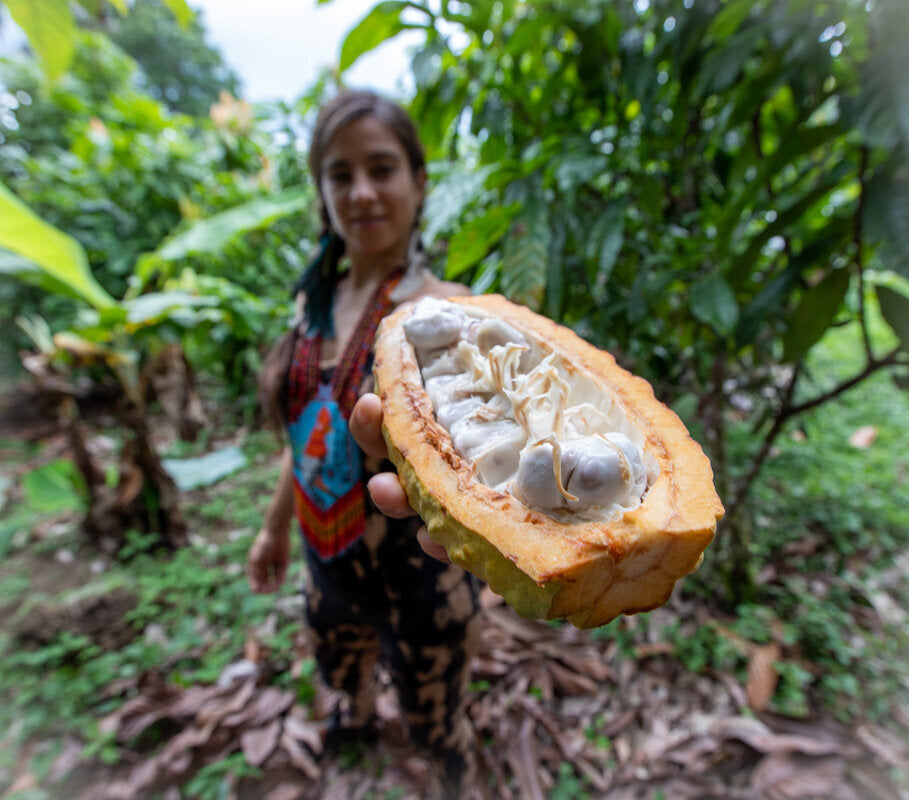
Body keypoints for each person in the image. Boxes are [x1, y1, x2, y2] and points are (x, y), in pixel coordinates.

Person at [247, 89, 481, 800]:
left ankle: (449, 774)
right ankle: (352, 741)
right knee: (341, 685)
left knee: (433, 717)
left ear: (418, 181)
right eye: (340, 174)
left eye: (382, 168)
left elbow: (492, 463)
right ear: (321, 191)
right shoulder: (313, 308)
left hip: (424, 581)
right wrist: (272, 526)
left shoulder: (452, 313)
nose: (363, 192)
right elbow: (309, 433)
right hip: (329, 561)